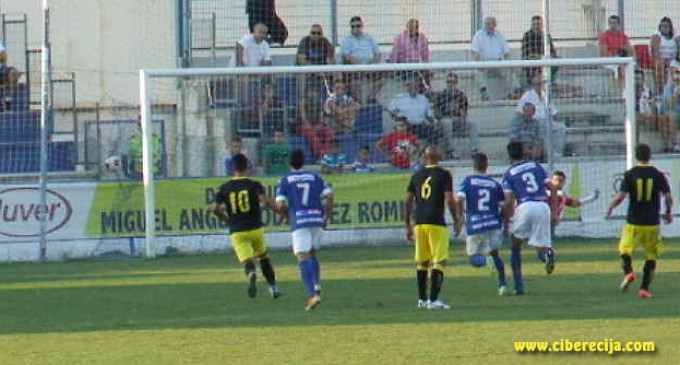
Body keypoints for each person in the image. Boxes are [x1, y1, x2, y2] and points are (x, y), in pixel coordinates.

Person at [606, 144, 673, 299]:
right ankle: (644, 289)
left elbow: (620, 197)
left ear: (636, 156)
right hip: (652, 223)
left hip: (634, 222)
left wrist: (610, 207)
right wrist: (668, 212)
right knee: (651, 255)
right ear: (650, 156)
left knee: (625, 249)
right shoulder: (658, 174)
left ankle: (629, 272)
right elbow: (668, 197)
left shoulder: (630, 174)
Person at [211, 154, 283, 299]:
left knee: (247, 260)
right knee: (263, 257)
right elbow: (264, 200)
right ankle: (273, 288)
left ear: (233, 168)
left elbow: (214, 209)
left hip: (237, 230)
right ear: (248, 167)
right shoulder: (254, 184)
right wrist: (278, 210)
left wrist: (226, 219)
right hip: (255, 227)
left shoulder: (224, 188)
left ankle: (251, 273)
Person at [275, 149, 334, 310]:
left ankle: (312, 295)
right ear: (304, 161)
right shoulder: (315, 177)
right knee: (313, 253)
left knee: (302, 256)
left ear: (289, 163)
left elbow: (280, 204)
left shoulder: (285, 180)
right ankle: (317, 286)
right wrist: (327, 214)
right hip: (316, 218)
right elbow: (329, 195)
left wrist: (287, 216)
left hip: (299, 221)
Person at [404, 146, 462, 309]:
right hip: (436, 222)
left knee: (422, 262)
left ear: (425, 157)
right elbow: (449, 199)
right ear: (440, 156)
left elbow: (407, 201)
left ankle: (422, 299)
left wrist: (407, 225)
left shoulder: (416, 176)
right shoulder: (444, 174)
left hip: (419, 222)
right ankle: (434, 300)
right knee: (439, 260)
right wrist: (457, 218)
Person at [501, 142, 556, 295]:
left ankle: (518, 287)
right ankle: (547, 257)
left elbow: (509, 200)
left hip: (525, 206)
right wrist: (555, 213)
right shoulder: (536, 166)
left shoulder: (509, 173)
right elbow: (552, 188)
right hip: (543, 206)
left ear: (509, 156)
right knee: (541, 248)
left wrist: (508, 220)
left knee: (515, 245)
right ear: (524, 152)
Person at [455, 153, 508, 295]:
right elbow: (504, 206)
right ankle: (502, 285)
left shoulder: (468, 181)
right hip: (494, 223)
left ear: (473, 166)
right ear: (487, 166)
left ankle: (485, 262)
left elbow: (459, 199)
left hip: (476, 224)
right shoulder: (495, 184)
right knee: (496, 254)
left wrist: (460, 217)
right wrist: (502, 221)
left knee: (473, 258)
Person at [516, 73, 567, 156]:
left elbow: (554, 113)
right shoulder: (527, 95)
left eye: (542, 84)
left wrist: (557, 122)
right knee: (540, 129)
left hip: (546, 121)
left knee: (561, 127)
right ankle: (545, 153)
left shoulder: (546, 95)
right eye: (538, 84)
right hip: (532, 122)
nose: (540, 86)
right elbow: (519, 113)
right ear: (533, 85)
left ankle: (557, 153)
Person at [430, 72, 477, 158]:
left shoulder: (461, 95)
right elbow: (436, 113)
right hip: (444, 122)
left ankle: (474, 150)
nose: (451, 84)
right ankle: (450, 151)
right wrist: (446, 117)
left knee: (472, 123)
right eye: (449, 82)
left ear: (457, 83)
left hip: (457, 121)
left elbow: (464, 113)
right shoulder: (440, 95)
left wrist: (459, 115)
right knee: (447, 122)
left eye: (453, 82)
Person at [341, 16, 383, 101]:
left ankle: (370, 98)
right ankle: (357, 101)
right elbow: (346, 56)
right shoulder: (347, 40)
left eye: (358, 26)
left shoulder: (369, 37)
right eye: (353, 26)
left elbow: (378, 54)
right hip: (355, 68)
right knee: (353, 83)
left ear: (362, 26)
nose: (355, 28)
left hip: (370, 66)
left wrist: (371, 64)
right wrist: (361, 66)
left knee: (382, 80)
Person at [470, 17, 513, 100]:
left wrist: (510, 63)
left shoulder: (500, 36)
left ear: (495, 25)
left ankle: (510, 94)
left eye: (491, 24)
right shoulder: (478, 35)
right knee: (477, 73)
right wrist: (478, 64)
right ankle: (484, 94)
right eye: (487, 24)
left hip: (498, 64)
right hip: (484, 64)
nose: (489, 26)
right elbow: (474, 53)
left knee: (511, 71)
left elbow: (507, 52)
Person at [388, 79, 438, 145]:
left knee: (433, 131)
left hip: (421, 125)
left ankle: (431, 152)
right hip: (407, 125)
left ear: (418, 88)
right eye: (411, 86)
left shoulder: (423, 98)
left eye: (416, 86)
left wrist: (434, 122)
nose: (413, 88)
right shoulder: (400, 98)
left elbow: (429, 115)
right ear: (407, 87)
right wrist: (399, 118)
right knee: (404, 130)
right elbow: (390, 109)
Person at [521, 15, 559, 87]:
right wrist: (543, 57)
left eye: (538, 24)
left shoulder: (546, 36)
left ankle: (548, 86)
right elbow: (529, 55)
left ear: (542, 25)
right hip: (532, 66)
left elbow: (553, 52)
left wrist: (549, 57)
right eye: (534, 24)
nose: (536, 26)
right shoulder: (527, 36)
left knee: (555, 62)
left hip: (545, 64)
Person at [299, 87, 336, 159]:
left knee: (330, 132)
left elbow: (321, 118)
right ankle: (321, 155)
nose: (312, 94)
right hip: (304, 127)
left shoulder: (319, 103)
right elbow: (303, 118)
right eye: (310, 92)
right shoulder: (302, 103)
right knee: (311, 132)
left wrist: (319, 125)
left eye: (314, 92)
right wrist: (310, 126)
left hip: (316, 126)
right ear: (307, 93)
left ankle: (327, 153)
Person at [599, 15, 635, 82]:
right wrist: (615, 57)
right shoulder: (604, 36)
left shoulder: (623, 36)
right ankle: (621, 88)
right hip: (609, 61)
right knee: (620, 67)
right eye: (611, 23)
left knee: (631, 67)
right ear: (609, 24)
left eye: (615, 23)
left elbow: (629, 49)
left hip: (621, 59)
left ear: (618, 24)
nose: (613, 25)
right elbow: (604, 51)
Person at [650, 17, 679, 94]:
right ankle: (662, 90)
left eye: (666, 26)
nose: (664, 28)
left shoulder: (676, 35)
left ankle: (674, 90)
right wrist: (662, 60)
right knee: (659, 65)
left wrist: (673, 60)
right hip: (660, 59)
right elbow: (655, 51)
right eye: (662, 26)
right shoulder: (657, 35)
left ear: (670, 27)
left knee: (674, 65)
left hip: (673, 59)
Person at [0, 37, 19, 110]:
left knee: (13, 72)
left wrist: (2, 57)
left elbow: (4, 56)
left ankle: (8, 99)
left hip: (1, 70)